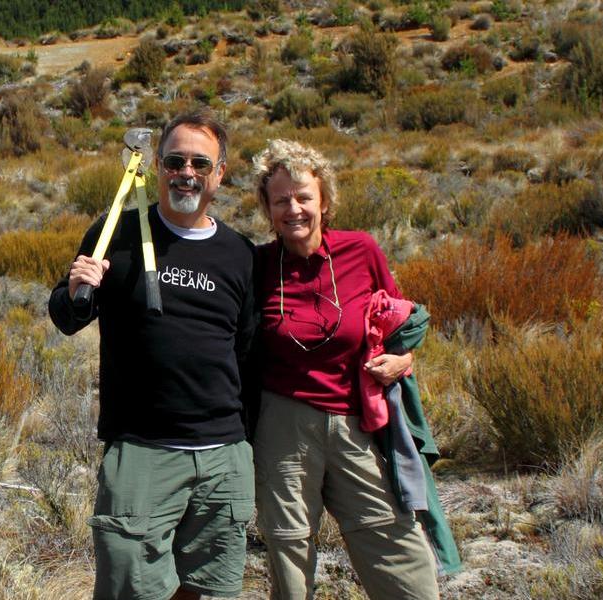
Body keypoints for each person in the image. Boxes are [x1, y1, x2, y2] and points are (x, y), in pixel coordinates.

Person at [47, 111, 259, 600]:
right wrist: (77, 289)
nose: (186, 172)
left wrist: (246, 446)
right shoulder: (115, 233)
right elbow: (67, 315)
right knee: (132, 587)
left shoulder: (239, 254)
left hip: (223, 457)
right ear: (156, 167)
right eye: (175, 160)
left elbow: (247, 352)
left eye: (200, 163)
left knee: (208, 589)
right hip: (143, 451)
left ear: (219, 174)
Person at [248, 139, 461, 600]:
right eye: (281, 199)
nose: (294, 209)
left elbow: (395, 319)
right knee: (288, 546)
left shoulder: (361, 251)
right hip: (283, 425)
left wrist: (405, 360)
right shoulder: (259, 264)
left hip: (354, 423)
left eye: (304, 196)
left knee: (391, 534)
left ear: (324, 201)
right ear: (267, 207)